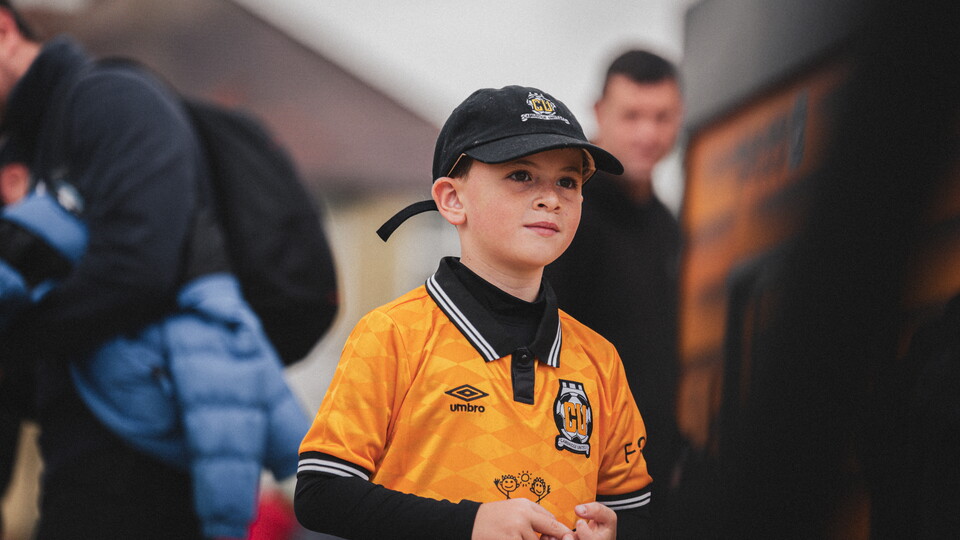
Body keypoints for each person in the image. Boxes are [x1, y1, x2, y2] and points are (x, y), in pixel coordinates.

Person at [0, 4, 308, 539]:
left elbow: (140, 265)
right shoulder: (41, 134)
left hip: (140, 447)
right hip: (90, 440)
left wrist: (18, 337)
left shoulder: (109, 100)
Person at [296, 85, 653, 540]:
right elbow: (321, 493)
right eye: (521, 175)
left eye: (568, 181)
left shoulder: (599, 361)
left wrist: (616, 532)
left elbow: (636, 513)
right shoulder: (391, 335)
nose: (551, 198)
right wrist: (470, 524)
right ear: (452, 199)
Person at [543, 49, 686, 535]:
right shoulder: (568, 215)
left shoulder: (667, 226)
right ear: (599, 114)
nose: (648, 133)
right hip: (582, 478)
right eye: (632, 115)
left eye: (662, 116)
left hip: (651, 474)